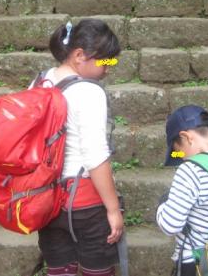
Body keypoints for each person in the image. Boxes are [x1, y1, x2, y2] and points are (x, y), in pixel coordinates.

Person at [36, 19, 123, 276]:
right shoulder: (88, 92)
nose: (109, 67)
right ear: (78, 55)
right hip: (84, 203)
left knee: (60, 270)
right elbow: (95, 156)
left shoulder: (40, 82)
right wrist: (113, 210)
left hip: (45, 199)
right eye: (105, 61)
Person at [155, 105, 208, 276]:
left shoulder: (190, 170)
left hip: (200, 263)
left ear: (186, 137)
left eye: (179, 151)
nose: (181, 157)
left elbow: (170, 225)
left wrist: (162, 205)